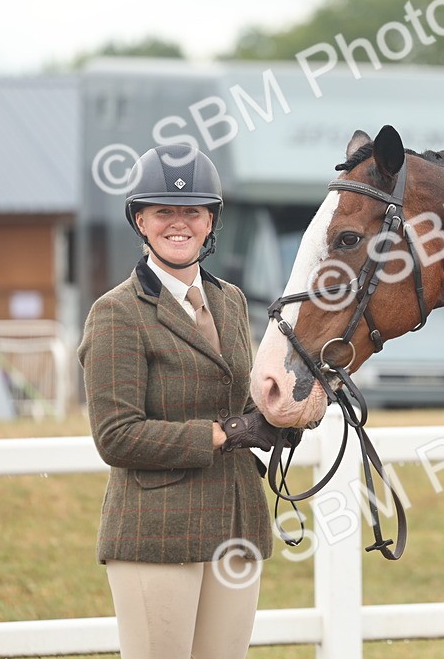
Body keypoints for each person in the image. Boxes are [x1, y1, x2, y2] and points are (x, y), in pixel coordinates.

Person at [78, 144, 287, 659]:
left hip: (234, 525)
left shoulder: (231, 300)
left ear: (210, 220)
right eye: (164, 211)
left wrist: (281, 413)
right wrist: (224, 435)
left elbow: (239, 395)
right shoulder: (116, 314)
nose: (179, 223)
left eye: (192, 211)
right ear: (141, 221)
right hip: (158, 532)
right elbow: (116, 435)